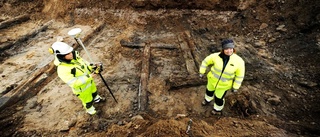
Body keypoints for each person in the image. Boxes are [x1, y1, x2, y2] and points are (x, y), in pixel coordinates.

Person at [50, 41, 104, 115]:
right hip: (82, 89)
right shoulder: (62, 70)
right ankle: (91, 111)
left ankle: (96, 98)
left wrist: (92, 67)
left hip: (90, 82)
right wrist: (90, 76)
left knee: (94, 91)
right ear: (61, 56)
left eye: (71, 52)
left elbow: (84, 64)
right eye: (68, 54)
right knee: (88, 101)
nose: (71, 54)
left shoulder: (75, 57)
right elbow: (74, 83)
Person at [199, 39, 245, 115]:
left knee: (218, 98)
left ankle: (217, 109)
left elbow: (240, 76)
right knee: (209, 92)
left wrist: (236, 87)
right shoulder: (215, 56)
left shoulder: (239, 61)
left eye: (231, 49)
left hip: (223, 86)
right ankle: (207, 100)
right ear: (223, 49)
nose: (229, 51)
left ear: (233, 49)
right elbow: (205, 61)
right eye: (226, 49)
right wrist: (202, 71)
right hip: (212, 81)